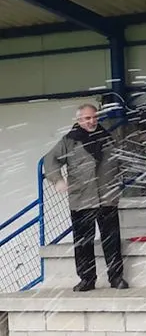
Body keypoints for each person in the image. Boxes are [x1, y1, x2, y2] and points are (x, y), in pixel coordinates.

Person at [44, 104, 128, 292]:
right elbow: (50, 160)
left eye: (94, 117)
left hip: (107, 197)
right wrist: (57, 180)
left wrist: (119, 183)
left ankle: (116, 278)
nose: (92, 121)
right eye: (87, 118)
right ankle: (87, 279)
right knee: (83, 243)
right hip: (82, 198)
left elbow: (120, 160)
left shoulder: (108, 138)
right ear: (79, 120)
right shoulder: (69, 141)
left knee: (112, 240)